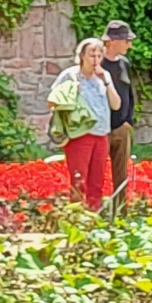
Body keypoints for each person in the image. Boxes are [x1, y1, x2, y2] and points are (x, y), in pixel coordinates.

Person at [48, 37, 115, 206]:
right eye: (92, 55)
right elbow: (52, 102)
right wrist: (71, 92)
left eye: (100, 55)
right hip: (80, 133)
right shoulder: (70, 75)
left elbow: (116, 104)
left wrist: (106, 81)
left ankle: (94, 219)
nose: (96, 59)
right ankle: (77, 219)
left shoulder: (104, 76)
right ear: (82, 56)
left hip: (102, 133)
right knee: (79, 179)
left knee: (97, 181)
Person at [95, 27, 139, 210]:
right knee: (95, 173)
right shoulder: (97, 64)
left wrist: (128, 121)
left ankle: (121, 213)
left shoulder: (124, 64)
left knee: (121, 175)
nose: (129, 44)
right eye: (126, 40)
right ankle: (93, 212)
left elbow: (130, 93)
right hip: (100, 129)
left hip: (121, 127)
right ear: (112, 41)